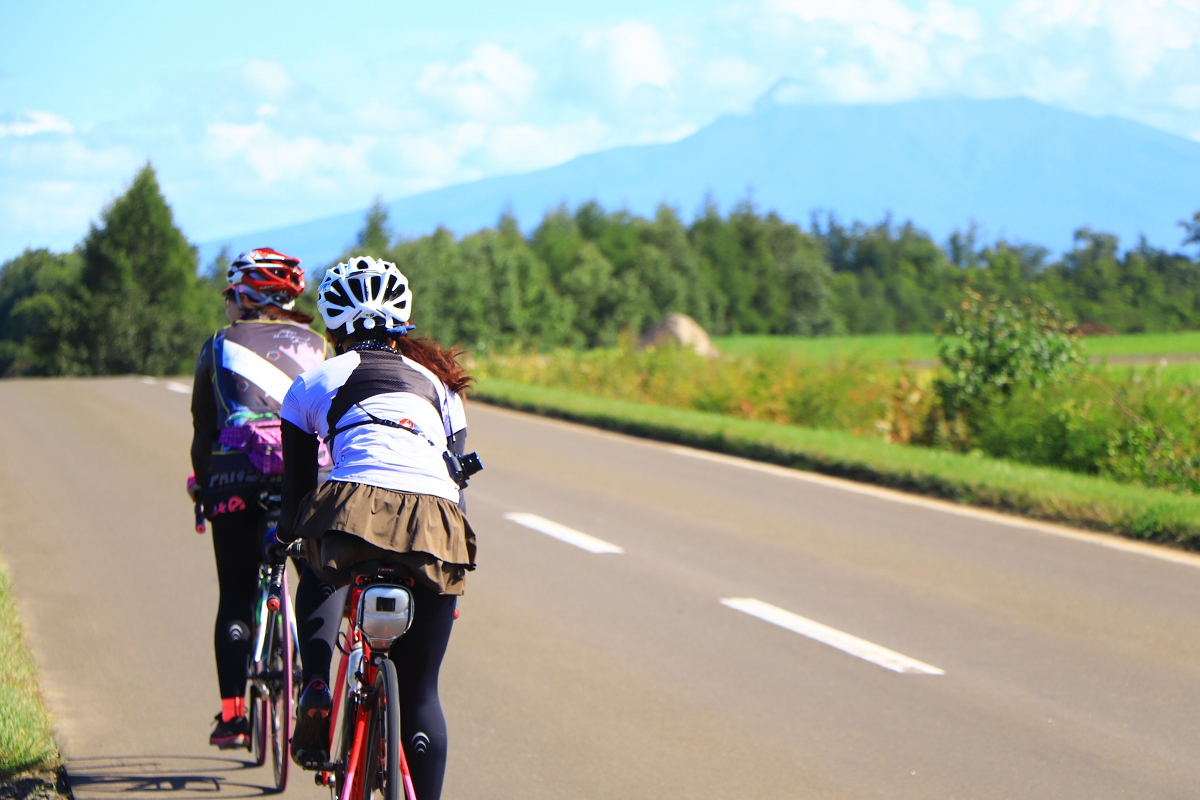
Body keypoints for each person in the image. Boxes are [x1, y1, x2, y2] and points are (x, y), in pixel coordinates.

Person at [277, 256, 477, 800]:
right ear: (400, 321)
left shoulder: (311, 382)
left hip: (350, 514)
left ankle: (317, 679)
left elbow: (296, 496)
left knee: (318, 565)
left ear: (332, 324)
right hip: (436, 523)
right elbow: (456, 481)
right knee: (421, 693)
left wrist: (281, 540)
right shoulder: (441, 387)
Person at [189, 248, 333, 748]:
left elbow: (204, 430)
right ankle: (313, 681)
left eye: (229, 294)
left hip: (235, 478)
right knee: (315, 582)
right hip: (306, 473)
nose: (226, 304)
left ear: (243, 297)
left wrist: (202, 484)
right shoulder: (318, 345)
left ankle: (233, 717)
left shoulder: (218, 344)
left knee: (235, 595)